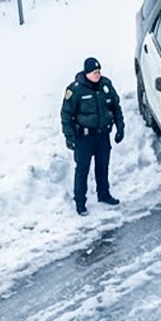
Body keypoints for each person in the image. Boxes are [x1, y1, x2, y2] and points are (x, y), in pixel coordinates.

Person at [61, 57, 124, 216]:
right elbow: (66, 115)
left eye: (99, 72)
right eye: (94, 72)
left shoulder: (106, 85)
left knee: (102, 166)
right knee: (82, 169)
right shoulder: (75, 90)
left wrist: (120, 127)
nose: (98, 75)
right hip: (85, 137)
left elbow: (115, 107)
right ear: (87, 73)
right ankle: (80, 202)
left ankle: (104, 194)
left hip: (103, 135)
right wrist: (70, 137)